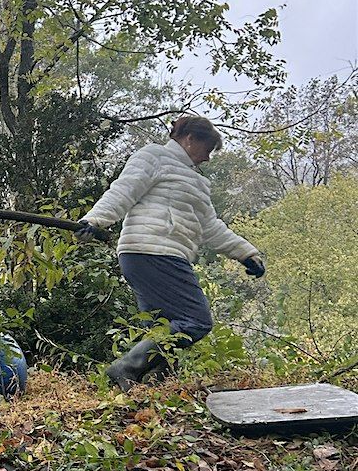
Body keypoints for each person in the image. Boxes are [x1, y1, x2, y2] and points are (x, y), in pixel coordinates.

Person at [77, 114, 265, 389]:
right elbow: (123, 191)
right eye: (207, 149)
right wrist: (95, 220)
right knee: (195, 321)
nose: (208, 158)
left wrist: (246, 253)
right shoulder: (154, 156)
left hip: (165, 254)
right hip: (152, 251)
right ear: (190, 139)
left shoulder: (196, 182)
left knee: (165, 326)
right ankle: (125, 367)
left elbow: (210, 227)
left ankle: (155, 386)